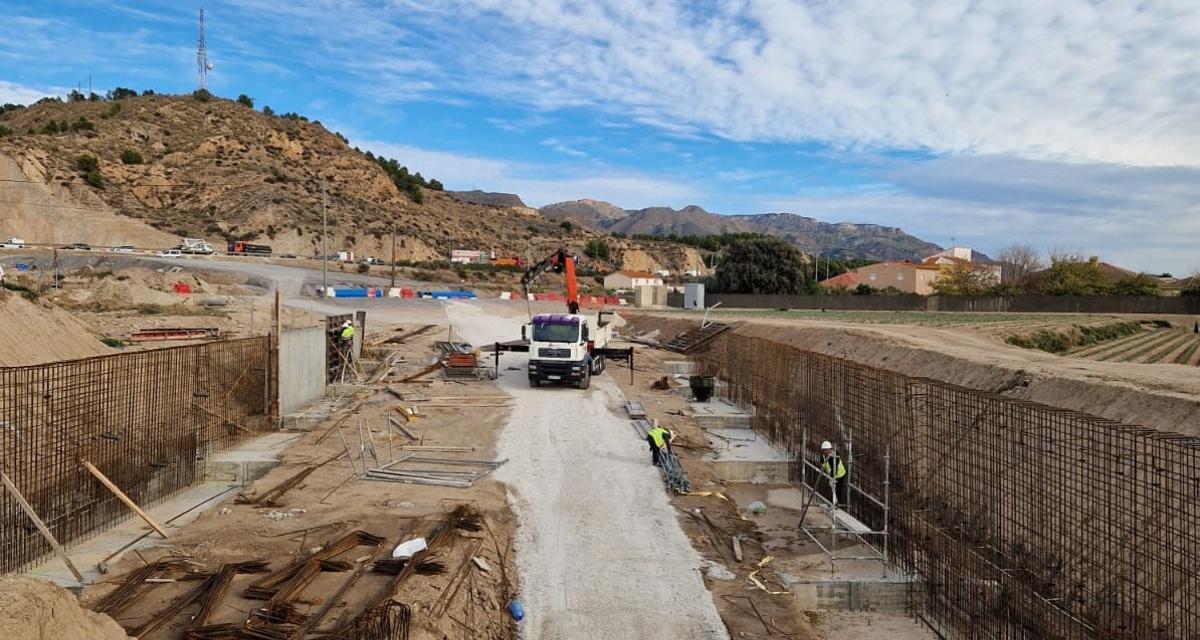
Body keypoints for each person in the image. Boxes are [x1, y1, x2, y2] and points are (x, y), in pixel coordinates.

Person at [820, 440, 847, 507]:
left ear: (829, 449)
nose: (825, 451)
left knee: (838, 489)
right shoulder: (823, 456)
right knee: (832, 488)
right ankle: (833, 502)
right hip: (832, 474)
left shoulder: (834, 457)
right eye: (824, 450)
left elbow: (834, 469)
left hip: (840, 475)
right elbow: (823, 465)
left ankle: (836, 504)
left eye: (826, 450)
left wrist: (831, 478)